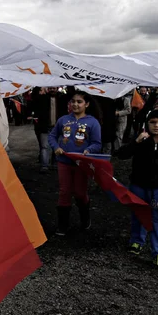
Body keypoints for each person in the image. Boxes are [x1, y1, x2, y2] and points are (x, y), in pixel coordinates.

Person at [48, 91, 102, 236]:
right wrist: (56, 147)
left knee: (79, 192)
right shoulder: (63, 120)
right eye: (73, 101)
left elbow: (97, 143)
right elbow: (52, 136)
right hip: (63, 162)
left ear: (87, 104)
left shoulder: (93, 122)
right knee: (64, 191)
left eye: (79, 102)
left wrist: (89, 150)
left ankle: (85, 219)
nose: (75, 104)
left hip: (81, 164)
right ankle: (62, 225)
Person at [115, 110, 158, 265]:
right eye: (153, 122)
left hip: (157, 189)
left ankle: (157, 251)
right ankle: (137, 241)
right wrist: (136, 142)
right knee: (138, 214)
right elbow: (121, 154)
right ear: (147, 123)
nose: (156, 125)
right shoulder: (141, 140)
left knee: (156, 218)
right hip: (138, 185)